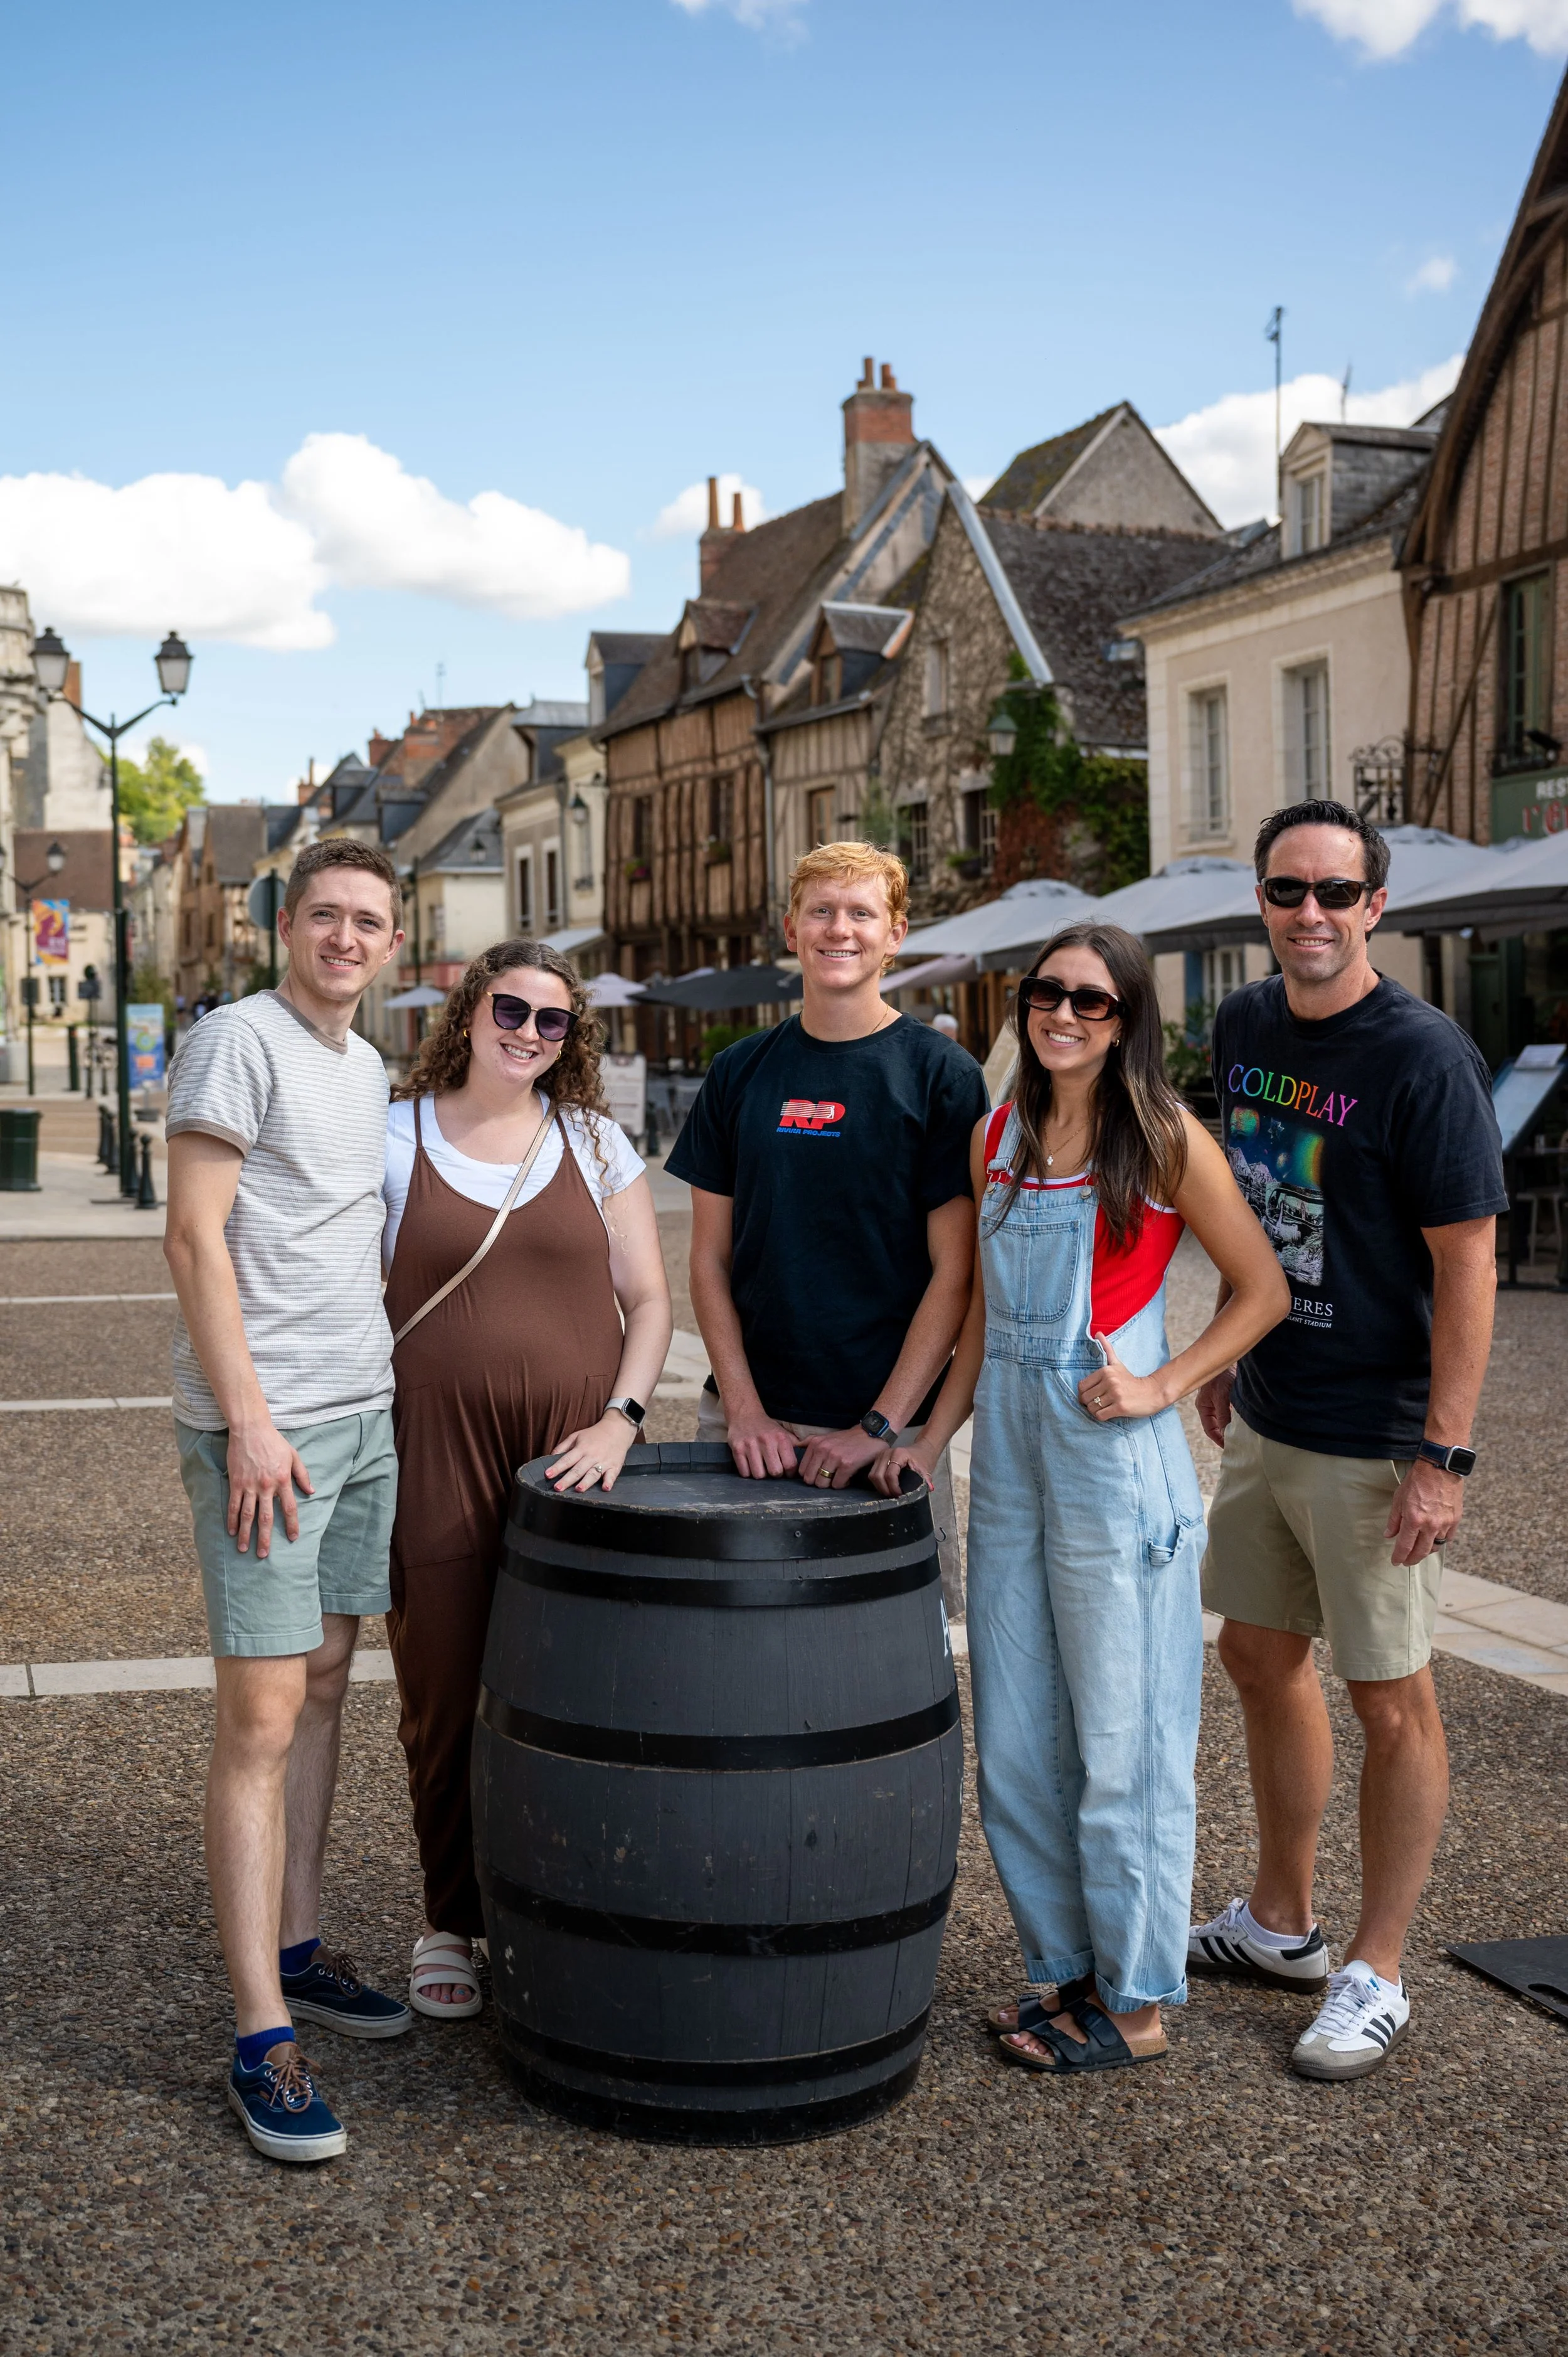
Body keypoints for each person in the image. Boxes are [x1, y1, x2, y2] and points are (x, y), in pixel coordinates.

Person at [873, 923, 1288, 2077]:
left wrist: (1163, 1379)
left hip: (1113, 1457)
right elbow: (976, 1320)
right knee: (1017, 1734)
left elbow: (1262, 1287)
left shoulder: (1160, 1136)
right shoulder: (995, 1134)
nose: (1063, 1013)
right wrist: (927, 1442)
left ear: (1127, 1018)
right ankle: (1064, 1965)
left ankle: (1141, 1998)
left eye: (1091, 1001)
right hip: (1008, 1451)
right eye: (1047, 992)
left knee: (1127, 1739)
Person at [1190, 799, 1506, 2082]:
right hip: (1270, 1406)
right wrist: (1223, 1343)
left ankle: (1374, 1969)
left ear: (1375, 905)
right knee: (1258, 1655)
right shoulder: (1243, 1021)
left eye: (1333, 893)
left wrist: (1443, 1455)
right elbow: (1246, 1195)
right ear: (1259, 904)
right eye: (1285, 891)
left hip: (1375, 1432)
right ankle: (1278, 1923)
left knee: (1391, 1698)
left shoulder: (1422, 1057)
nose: (1307, 914)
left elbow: (1469, 1261)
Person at [163, 839, 413, 2166]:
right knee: (259, 1714)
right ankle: (261, 2032)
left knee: (324, 1679)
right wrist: (250, 1421)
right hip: (270, 1428)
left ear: (390, 940)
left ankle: (298, 1948)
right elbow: (192, 1236)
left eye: (367, 920)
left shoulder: (363, 1063)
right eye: (324, 914)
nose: (344, 936)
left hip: (358, 1412)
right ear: (284, 924)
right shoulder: (235, 1043)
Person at [381, 939, 672, 2019]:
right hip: (437, 1448)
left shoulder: (594, 1139)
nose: (530, 1034)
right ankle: (451, 1917)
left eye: (554, 1022)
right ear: (469, 1011)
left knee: (585, 1689)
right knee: (444, 1692)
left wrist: (622, 1421)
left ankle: (569, 1895)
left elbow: (649, 1301)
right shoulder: (391, 1132)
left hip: (575, 1456)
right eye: (513, 1009)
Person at [668, 843, 987, 1610]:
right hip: (748, 1426)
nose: (838, 929)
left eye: (860, 913)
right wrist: (742, 1409)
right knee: (731, 1642)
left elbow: (957, 1273)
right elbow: (708, 1261)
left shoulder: (942, 1076)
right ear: (790, 928)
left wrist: (882, 1425)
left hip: (887, 1435)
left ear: (895, 932)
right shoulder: (739, 1071)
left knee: (892, 1654)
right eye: (821, 910)